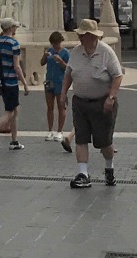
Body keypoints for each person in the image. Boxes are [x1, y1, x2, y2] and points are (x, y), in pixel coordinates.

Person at [62, 19, 124, 187]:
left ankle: (109, 168)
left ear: (92, 36)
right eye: (79, 35)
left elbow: (117, 76)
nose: (80, 38)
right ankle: (83, 174)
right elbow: (68, 74)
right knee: (80, 138)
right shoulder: (76, 51)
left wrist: (111, 98)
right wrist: (63, 95)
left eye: (83, 35)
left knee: (104, 142)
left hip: (102, 103)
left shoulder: (106, 52)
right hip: (80, 102)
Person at [0, 19, 28, 151]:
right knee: (9, 112)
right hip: (11, 81)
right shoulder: (14, 43)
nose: (16, 29)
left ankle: (14, 141)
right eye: (15, 27)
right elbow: (17, 66)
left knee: (14, 110)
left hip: (1, 81)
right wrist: (25, 83)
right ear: (11, 28)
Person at [41, 32, 70, 144]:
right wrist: (44, 56)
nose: (55, 46)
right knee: (50, 106)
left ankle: (60, 131)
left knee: (61, 106)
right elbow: (42, 63)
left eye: (56, 44)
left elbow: (68, 68)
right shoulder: (50, 51)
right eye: (53, 44)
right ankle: (50, 130)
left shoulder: (65, 53)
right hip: (49, 80)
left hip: (60, 81)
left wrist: (61, 61)